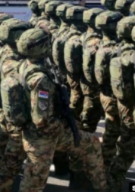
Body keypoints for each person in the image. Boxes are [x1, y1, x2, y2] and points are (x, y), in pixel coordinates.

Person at [17, 28, 107, 192]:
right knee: (34, 183)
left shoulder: (26, 65)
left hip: (33, 131)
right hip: (43, 137)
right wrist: (65, 127)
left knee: (90, 144)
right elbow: (41, 120)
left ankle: (83, 186)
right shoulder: (41, 80)